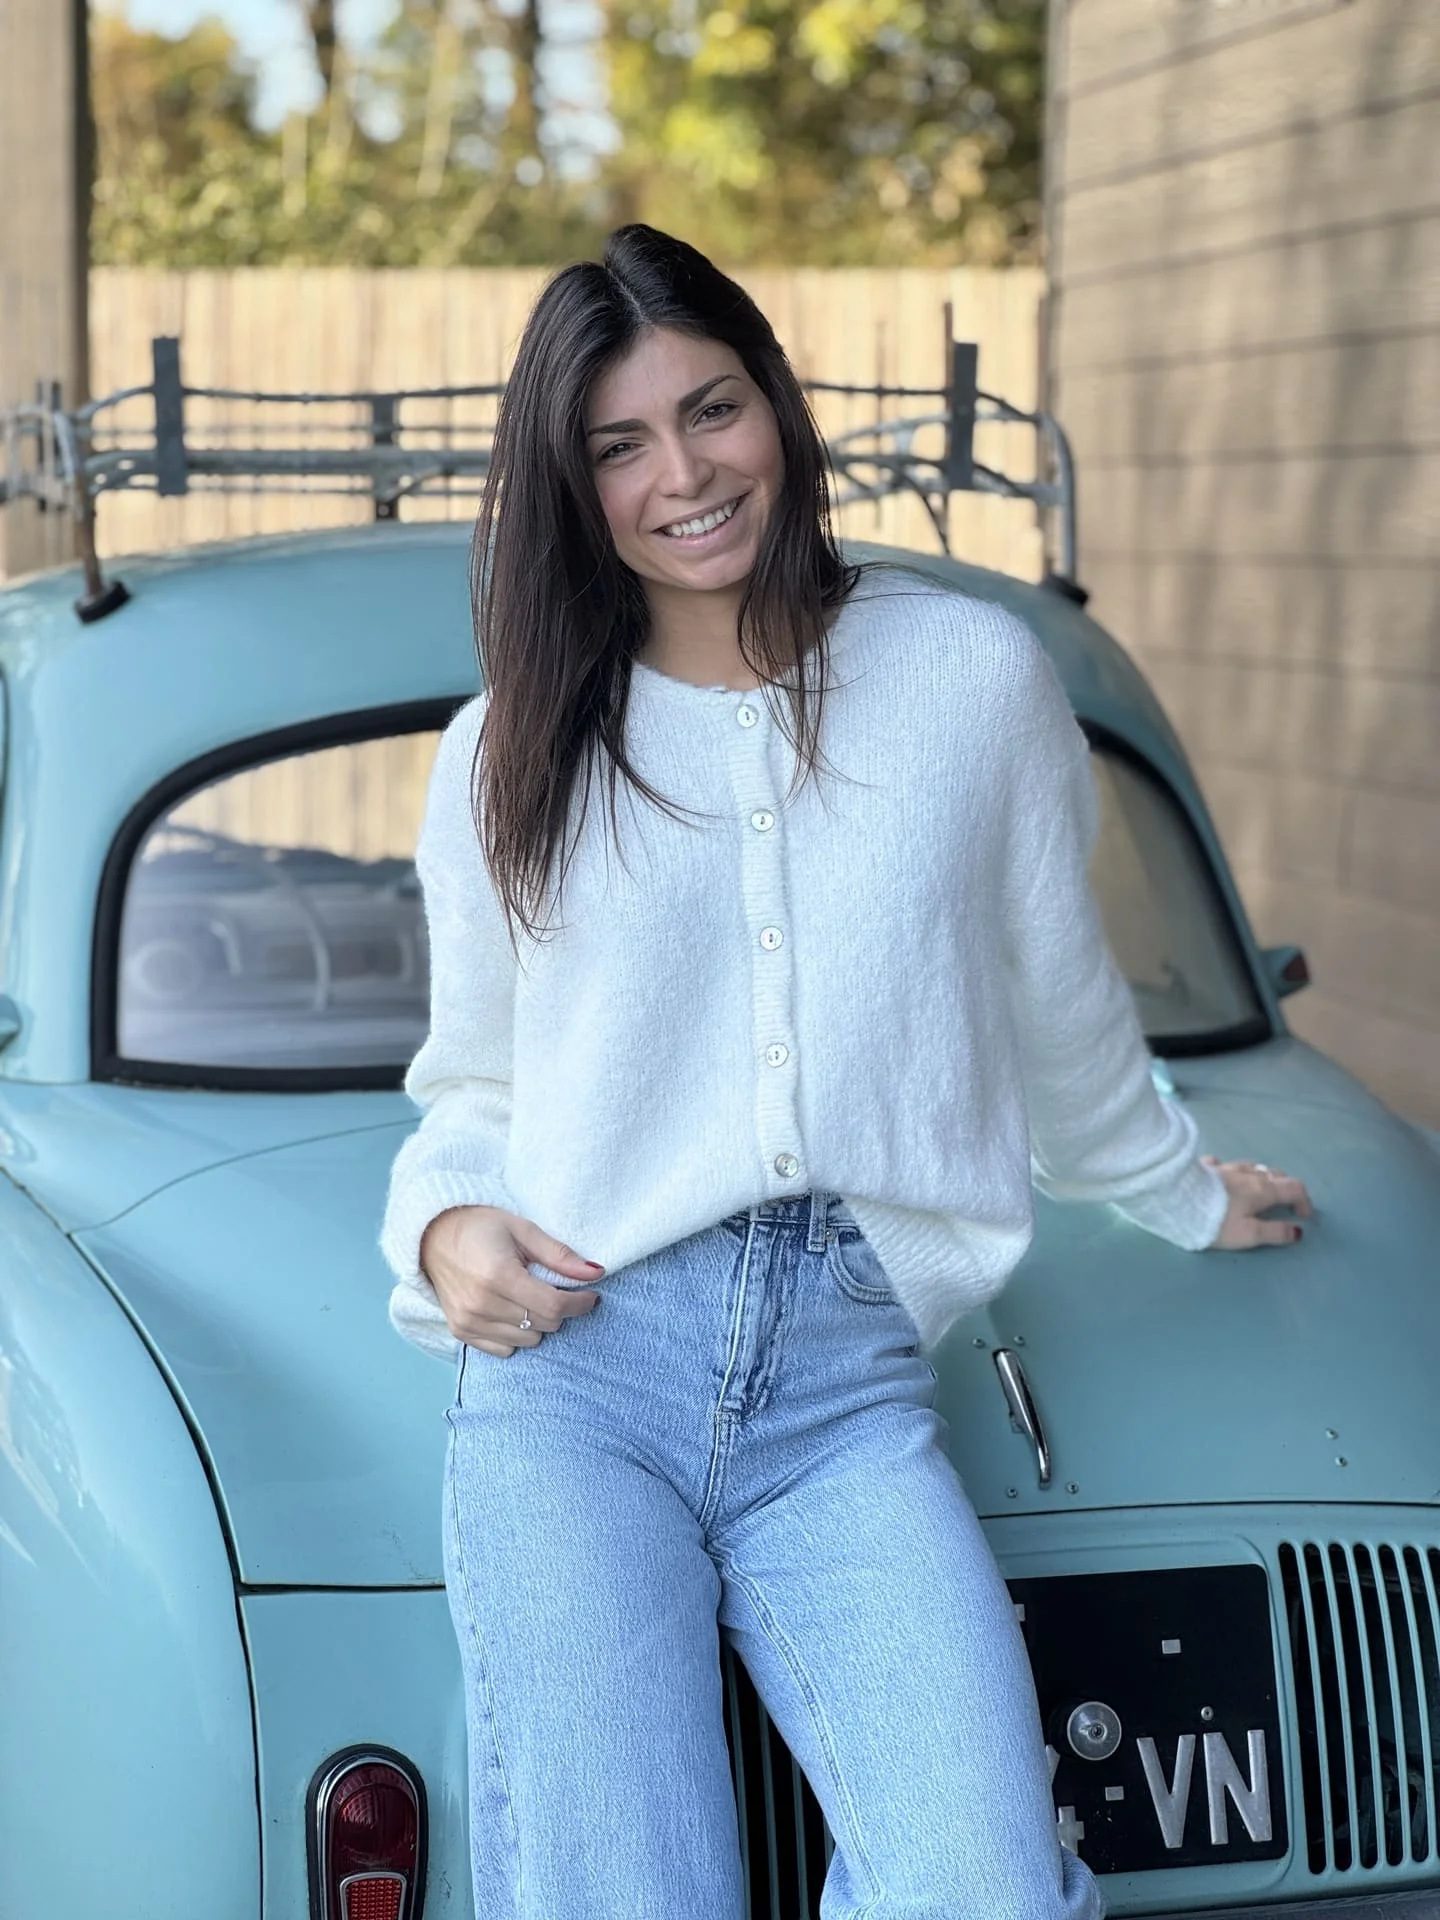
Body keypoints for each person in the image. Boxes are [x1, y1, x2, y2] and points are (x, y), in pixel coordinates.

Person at [378, 223, 1312, 1920]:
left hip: (845, 1390)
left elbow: (1060, 1008)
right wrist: (443, 1229)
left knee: (987, 1887)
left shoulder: (970, 679)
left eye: (712, 409)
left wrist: (1183, 1193)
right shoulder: (505, 748)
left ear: (777, 404)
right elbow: (477, 1089)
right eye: (620, 445)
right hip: (578, 1379)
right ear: (572, 485)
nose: (684, 476)